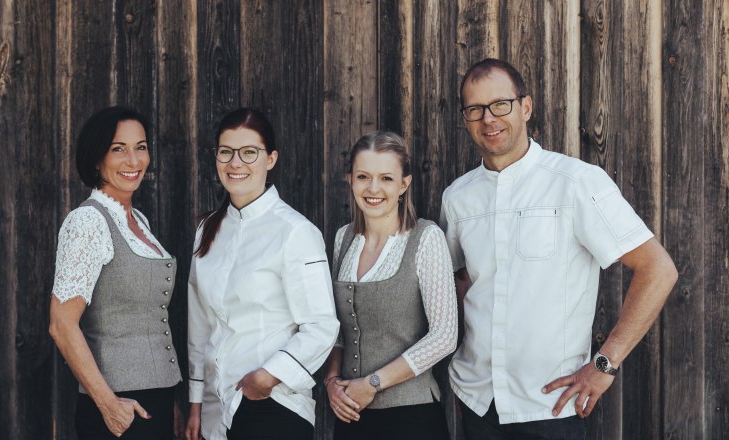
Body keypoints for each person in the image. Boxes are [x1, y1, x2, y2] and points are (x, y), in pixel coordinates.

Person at [440, 58, 678, 439]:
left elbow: (658, 269)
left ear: (526, 107)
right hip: (476, 402)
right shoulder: (458, 198)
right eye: (475, 109)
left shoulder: (576, 183)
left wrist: (605, 363)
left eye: (500, 104)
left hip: (550, 408)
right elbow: (461, 281)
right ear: (466, 118)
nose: (489, 118)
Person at [185, 108, 339, 440]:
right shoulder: (207, 230)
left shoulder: (295, 232)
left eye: (249, 152)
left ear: (270, 159)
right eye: (226, 152)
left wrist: (268, 376)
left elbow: (322, 326)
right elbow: (199, 325)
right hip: (217, 410)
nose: (235, 163)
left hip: (274, 404)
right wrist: (196, 402)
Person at [49, 106, 183, 440]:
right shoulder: (88, 222)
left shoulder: (139, 221)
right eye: (118, 149)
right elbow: (61, 325)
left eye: (141, 147)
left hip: (158, 400)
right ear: (97, 159)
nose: (133, 160)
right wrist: (109, 405)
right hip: (119, 407)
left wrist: (170, 400)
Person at [324, 131, 457, 440]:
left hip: (412, 417)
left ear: (404, 184)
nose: (373, 189)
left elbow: (444, 336)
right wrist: (331, 382)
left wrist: (372, 383)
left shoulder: (425, 238)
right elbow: (339, 330)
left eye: (386, 178)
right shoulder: (343, 239)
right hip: (351, 416)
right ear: (351, 180)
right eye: (363, 176)